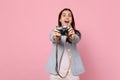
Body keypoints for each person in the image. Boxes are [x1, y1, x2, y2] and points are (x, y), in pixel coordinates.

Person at [45, 8, 85, 80]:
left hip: (72, 71)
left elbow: (76, 39)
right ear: (60, 19)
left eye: (69, 15)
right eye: (64, 15)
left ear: (72, 19)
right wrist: (56, 37)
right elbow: (52, 37)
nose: (67, 17)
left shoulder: (76, 33)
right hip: (56, 71)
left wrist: (71, 36)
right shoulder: (54, 31)